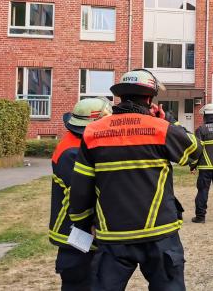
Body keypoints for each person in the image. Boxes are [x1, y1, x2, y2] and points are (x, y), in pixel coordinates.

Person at [68, 69, 201, 290]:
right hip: (159, 233)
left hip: (113, 235)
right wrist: (169, 120)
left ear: (120, 96)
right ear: (150, 99)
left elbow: (81, 188)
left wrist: (82, 223)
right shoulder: (161, 129)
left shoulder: (93, 132)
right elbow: (195, 150)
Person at [50, 98, 112, 290]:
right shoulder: (74, 152)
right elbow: (82, 196)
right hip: (75, 231)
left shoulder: (73, 142)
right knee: (81, 280)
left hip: (77, 230)